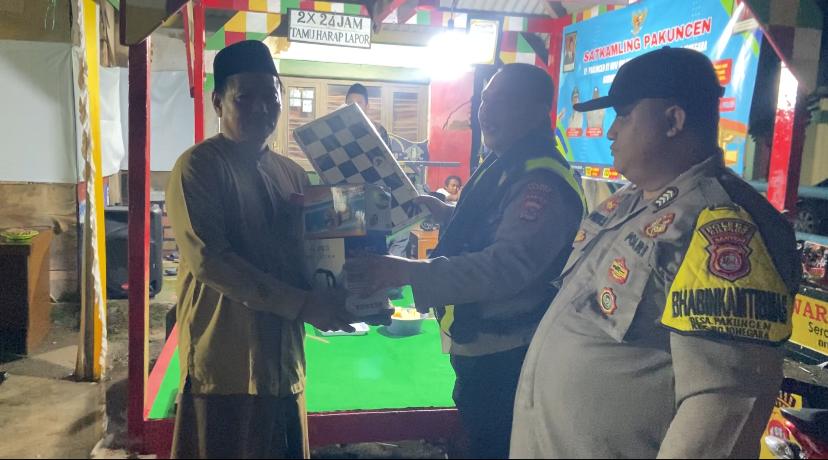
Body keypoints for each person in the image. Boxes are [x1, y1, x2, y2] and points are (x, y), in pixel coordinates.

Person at [510, 47, 800, 458]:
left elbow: (723, 404)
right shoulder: (629, 203)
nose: (611, 132)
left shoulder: (724, 225)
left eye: (624, 115)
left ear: (673, 121)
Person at [345, 63, 586, 459]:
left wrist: (407, 270)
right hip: (480, 346)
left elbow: (505, 266)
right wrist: (446, 213)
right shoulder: (506, 161)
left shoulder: (541, 180)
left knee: (495, 446)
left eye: (502, 101)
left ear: (537, 109)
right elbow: (492, 224)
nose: (486, 112)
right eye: (485, 100)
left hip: (508, 355)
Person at [166, 40, 358, 459]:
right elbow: (211, 261)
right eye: (244, 98)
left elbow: (310, 255)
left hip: (284, 359)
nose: (260, 108)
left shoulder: (291, 173)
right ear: (218, 102)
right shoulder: (198, 166)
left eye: (270, 96)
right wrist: (304, 304)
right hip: (226, 361)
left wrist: (348, 290)